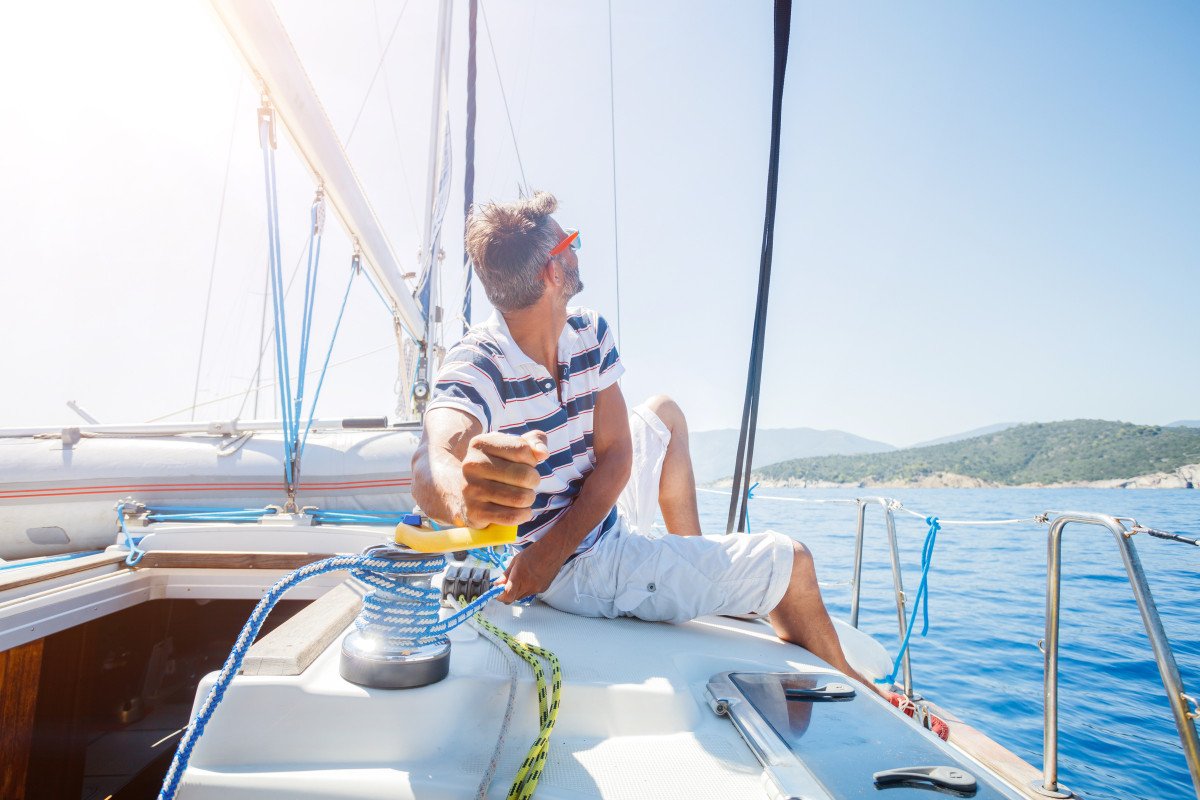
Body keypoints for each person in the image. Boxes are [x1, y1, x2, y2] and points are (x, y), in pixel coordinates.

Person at [411, 191, 875, 691]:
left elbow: (617, 456)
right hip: (579, 567)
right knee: (791, 562)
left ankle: (695, 565)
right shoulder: (478, 360)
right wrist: (466, 500)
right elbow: (431, 459)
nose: (577, 253)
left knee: (664, 414)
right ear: (552, 271)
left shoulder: (587, 331)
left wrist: (552, 548)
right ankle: (853, 681)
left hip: (583, 525)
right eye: (572, 243)